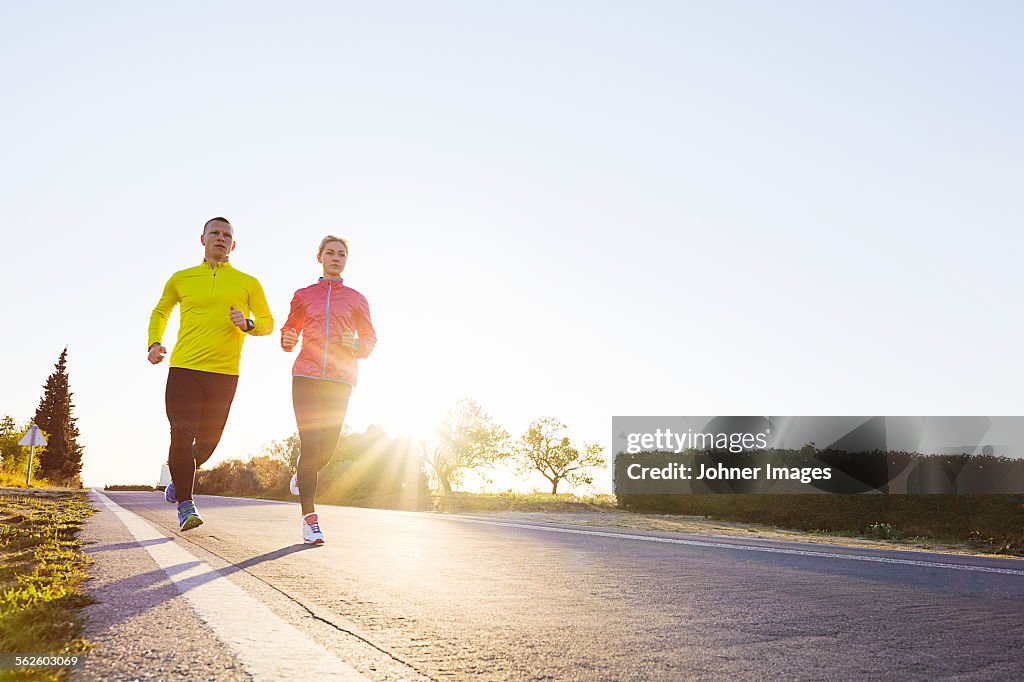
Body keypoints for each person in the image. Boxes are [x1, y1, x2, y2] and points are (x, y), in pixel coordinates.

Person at [148, 217, 273, 531]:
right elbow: (161, 311)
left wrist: (247, 324)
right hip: (184, 369)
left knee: (206, 445)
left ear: (234, 244)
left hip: (224, 373)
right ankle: (186, 506)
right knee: (181, 434)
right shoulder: (182, 278)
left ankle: (180, 477)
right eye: (214, 233)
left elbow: (268, 323)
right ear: (201, 239)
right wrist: (154, 342)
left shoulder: (248, 282)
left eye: (226, 235)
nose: (220, 238)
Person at [281, 235, 376, 544]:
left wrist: (358, 345)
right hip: (306, 377)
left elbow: (370, 340)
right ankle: (310, 521)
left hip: (340, 380)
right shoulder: (303, 295)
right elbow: (289, 329)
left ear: (346, 260)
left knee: (326, 451)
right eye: (331, 253)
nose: (336, 258)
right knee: (311, 447)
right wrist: (287, 339)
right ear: (319, 257)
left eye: (341, 254)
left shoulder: (356, 299)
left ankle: (302, 475)